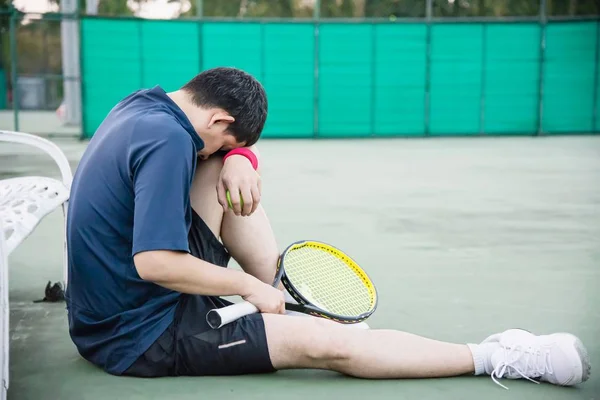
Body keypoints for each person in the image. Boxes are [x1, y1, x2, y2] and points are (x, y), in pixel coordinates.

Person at [65, 67, 591, 389]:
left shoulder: (148, 108)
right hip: (137, 334)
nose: (220, 153)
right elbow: (153, 262)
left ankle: (281, 297)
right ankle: (500, 355)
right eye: (226, 141)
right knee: (326, 344)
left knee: (225, 176)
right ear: (220, 119)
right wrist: (245, 286)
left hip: (118, 302)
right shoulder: (168, 143)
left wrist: (239, 157)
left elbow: (214, 156)